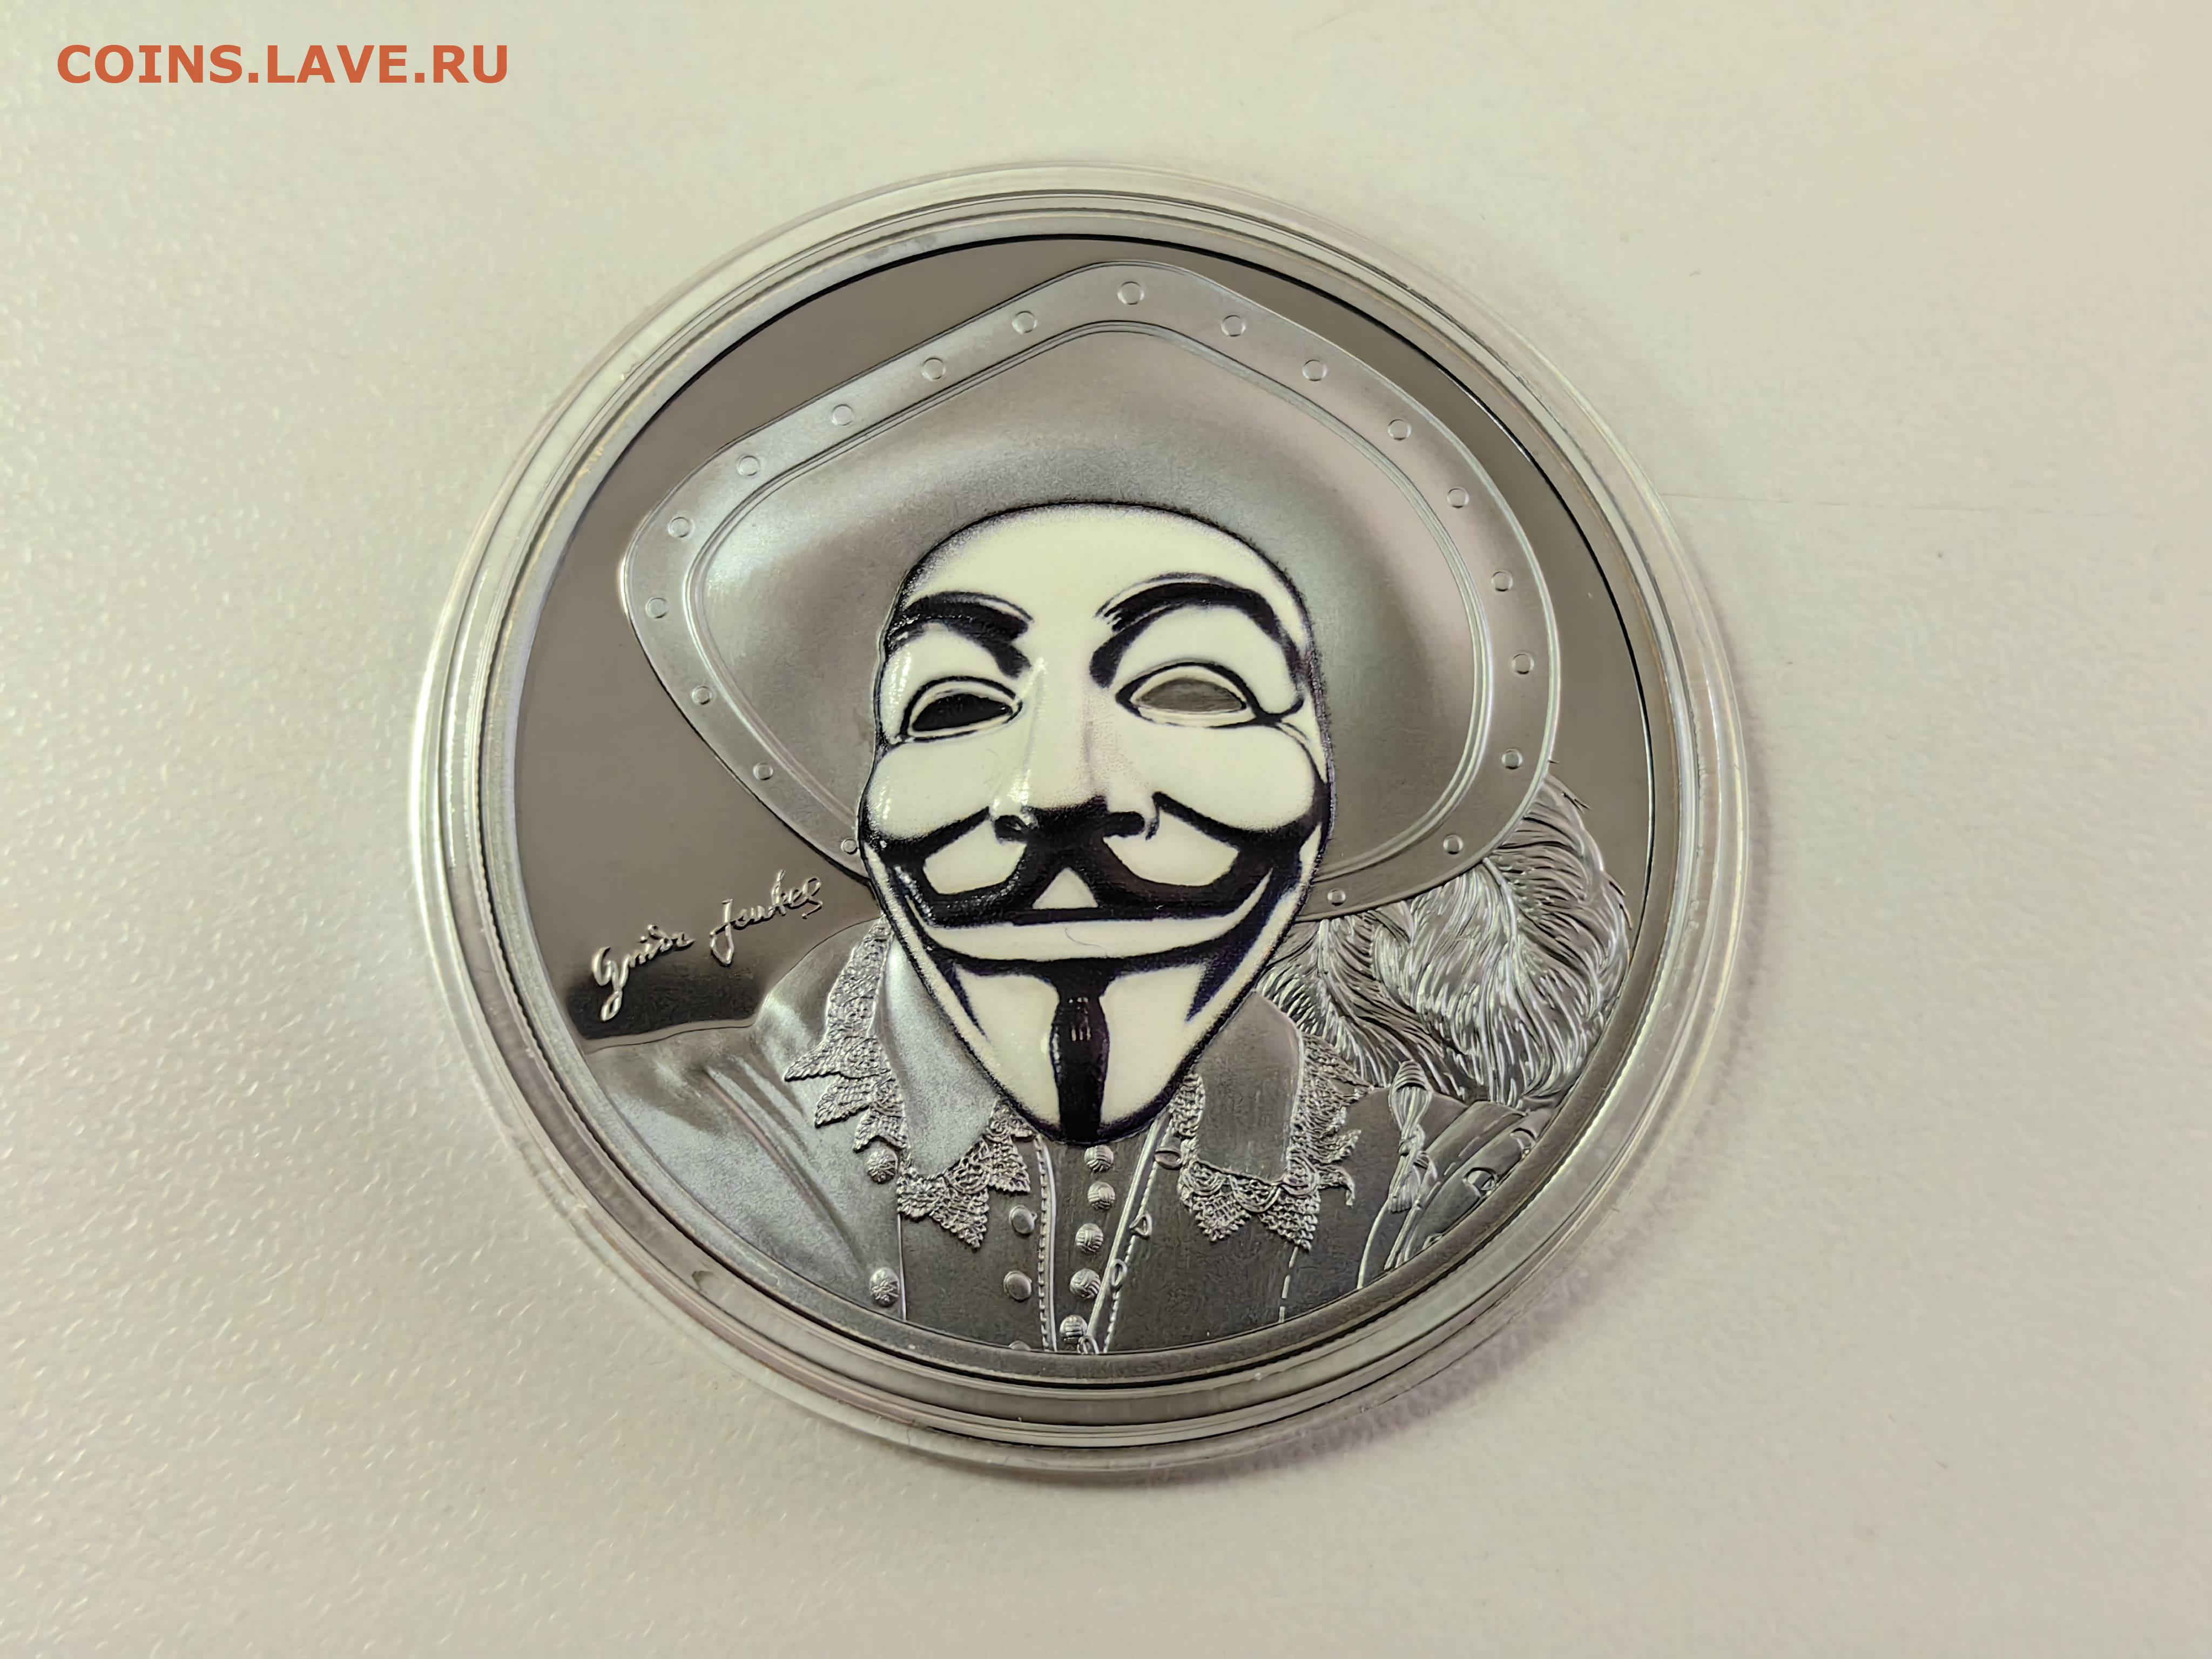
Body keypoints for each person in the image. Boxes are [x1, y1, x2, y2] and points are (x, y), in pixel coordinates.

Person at [591, 504, 1629, 1352]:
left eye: (1193, 690)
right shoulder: (639, 1136)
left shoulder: (1458, 1182)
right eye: (954, 707)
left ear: (1331, 785)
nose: (1059, 789)